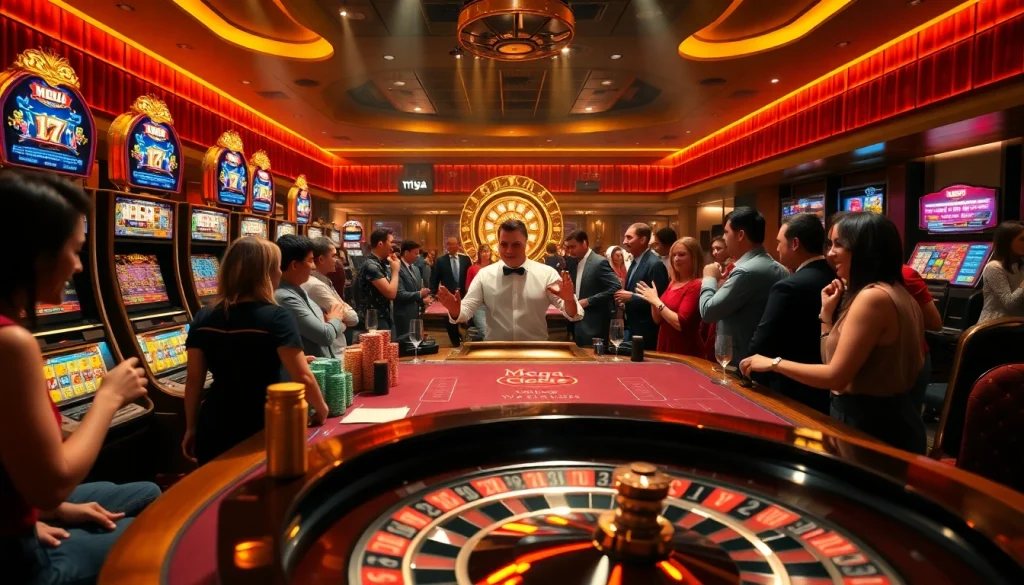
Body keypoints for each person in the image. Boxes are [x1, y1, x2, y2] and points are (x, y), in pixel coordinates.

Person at [0, 170, 160, 584]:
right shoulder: (10, 343)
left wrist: (45, 516)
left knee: (146, 493)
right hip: (19, 558)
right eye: (74, 251)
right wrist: (108, 396)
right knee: (157, 539)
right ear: (34, 254)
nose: (78, 267)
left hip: (24, 519)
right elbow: (50, 485)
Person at [740, 212, 927, 453]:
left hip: (875, 426)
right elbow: (831, 360)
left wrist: (773, 363)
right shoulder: (887, 291)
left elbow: (835, 377)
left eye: (839, 244)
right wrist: (826, 317)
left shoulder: (873, 298)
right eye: (830, 243)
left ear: (864, 248)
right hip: (872, 419)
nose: (830, 253)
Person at [185, 237, 328, 464]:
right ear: (268, 272)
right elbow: (303, 377)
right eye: (277, 267)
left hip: (213, 422)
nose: (280, 274)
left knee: (217, 495)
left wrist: (190, 427)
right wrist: (321, 410)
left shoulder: (204, 316)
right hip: (262, 422)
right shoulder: (276, 316)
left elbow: (193, 381)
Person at [436, 220, 582, 341]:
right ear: (498, 244)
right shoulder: (484, 275)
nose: (509, 251)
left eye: (516, 245)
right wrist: (454, 309)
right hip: (495, 352)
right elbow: (465, 311)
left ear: (526, 243)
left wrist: (569, 300)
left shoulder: (547, 274)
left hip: (536, 350)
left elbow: (574, 314)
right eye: (504, 244)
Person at [748, 213, 836, 414]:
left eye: (780, 242)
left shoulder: (788, 286)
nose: (777, 247)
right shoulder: (836, 275)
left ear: (795, 243)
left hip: (791, 388)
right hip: (829, 389)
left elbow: (762, 342)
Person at [699, 207, 789, 364]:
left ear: (740, 235)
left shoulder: (746, 271)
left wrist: (709, 278)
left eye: (726, 233)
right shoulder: (779, 268)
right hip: (763, 358)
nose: (724, 238)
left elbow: (708, 311)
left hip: (742, 362)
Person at [274, 235, 349, 358]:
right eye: (310, 261)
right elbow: (324, 336)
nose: (314, 266)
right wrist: (335, 318)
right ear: (294, 265)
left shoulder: (297, 289)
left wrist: (329, 322)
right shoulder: (285, 297)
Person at [634, 237, 705, 357]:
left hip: (684, 347)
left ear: (694, 257)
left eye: (682, 255)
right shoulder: (673, 282)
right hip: (665, 342)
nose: (676, 259)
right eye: (674, 255)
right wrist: (651, 299)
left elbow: (680, 323)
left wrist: (656, 301)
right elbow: (658, 320)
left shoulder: (697, 284)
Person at [614, 223, 670, 350]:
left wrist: (632, 297)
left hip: (648, 329)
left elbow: (661, 299)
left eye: (629, 238)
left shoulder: (654, 264)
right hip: (634, 326)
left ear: (643, 239)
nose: (624, 242)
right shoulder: (635, 261)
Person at [563, 230, 621, 348]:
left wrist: (588, 301)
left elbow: (615, 287)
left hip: (594, 324)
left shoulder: (599, 262)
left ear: (584, 243)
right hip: (575, 323)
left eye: (573, 247)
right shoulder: (573, 262)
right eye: (568, 247)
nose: (570, 251)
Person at [301, 237, 358, 355]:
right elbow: (352, 318)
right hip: (332, 350)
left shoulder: (324, 280)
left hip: (333, 346)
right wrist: (340, 322)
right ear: (321, 259)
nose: (337, 260)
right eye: (333, 256)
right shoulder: (315, 285)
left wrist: (337, 318)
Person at [978, 220, 1024, 323]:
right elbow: (1010, 305)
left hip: (1018, 325)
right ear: (1007, 242)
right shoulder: (994, 267)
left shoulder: (1021, 264)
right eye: (1022, 239)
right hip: (995, 327)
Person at [357, 228, 401, 333]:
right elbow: (391, 293)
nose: (393, 247)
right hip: (374, 320)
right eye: (391, 242)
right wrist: (395, 271)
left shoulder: (380, 263)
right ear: (380, 244)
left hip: (383, 316)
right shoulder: (371, 265)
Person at [431, 237, 471, 346]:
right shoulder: (441, 260)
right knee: (450, 320)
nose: (450, 246)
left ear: (458, 245)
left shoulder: (466, 259)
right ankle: (455, 343)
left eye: (453, 244)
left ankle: (466, 340)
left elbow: (470, 277)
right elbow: (435, 278)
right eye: (448, 244)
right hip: (448, 295)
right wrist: (434, 293)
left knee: (465, 318)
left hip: (464, 295)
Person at [394, 240, 431, 338]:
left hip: (416, 315)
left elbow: (416, 291)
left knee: (416, 342)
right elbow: (400, 294)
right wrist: (420, 294)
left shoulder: (416, 269)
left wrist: (423, 300)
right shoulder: (397, 268)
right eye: (416, 253)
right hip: (402, 315)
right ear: (406, 253)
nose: (418, 256)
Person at [466, 245, 495, 340]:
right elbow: (468, 288)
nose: (485, 254)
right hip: (479, 305)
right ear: (479, 253)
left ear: (490, 253)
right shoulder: (472, 268)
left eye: (487, 251)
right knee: (484, 332)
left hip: (494, 304)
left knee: (496, 332)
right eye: (483, 251)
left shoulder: (496, 267)